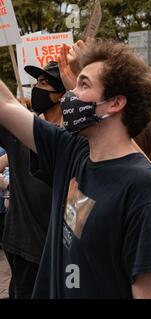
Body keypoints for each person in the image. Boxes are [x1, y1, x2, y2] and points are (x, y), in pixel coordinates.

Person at [0, 39, 151, 298]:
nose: (70, 96)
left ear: (115, 103)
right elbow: (6, 105)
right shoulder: (71, 151)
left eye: (82, 85)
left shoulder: (144, 189)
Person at [0, 61, 66, 299]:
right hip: (16, 245)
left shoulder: (71, 141)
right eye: (36, 82)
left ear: (61, 94)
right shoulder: (20, 131)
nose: (36, 88)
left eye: (43, 83)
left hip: (50, 252)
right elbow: (4, 104)